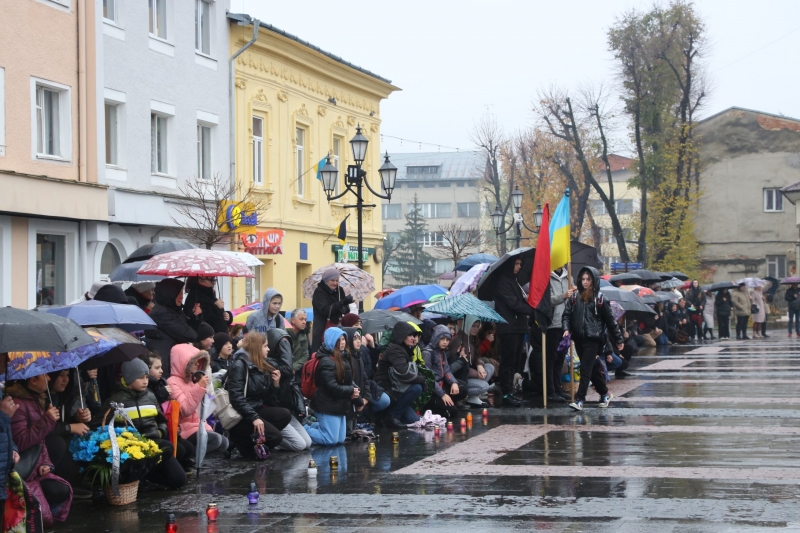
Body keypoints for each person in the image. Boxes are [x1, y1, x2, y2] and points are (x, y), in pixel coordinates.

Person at [94, 359, 187, 488]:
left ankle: (146, 474)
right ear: (128, 379)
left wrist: (160, 432)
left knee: (179, 480)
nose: (145, 381)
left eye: (146, 377)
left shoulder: (150, 396)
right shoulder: (115, 400)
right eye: (140, 378)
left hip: (153, 444)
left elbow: (162, 421)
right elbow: (98, 424)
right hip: (132, 449)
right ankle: (137, 477)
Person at [6, 375, 72, 527]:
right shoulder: (17, 404)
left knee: (63, 490)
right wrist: (47, 420)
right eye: (45, 376)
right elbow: (21, 442)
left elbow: (40, 443)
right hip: (22, 471)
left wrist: (46, 463)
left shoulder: (35, 400)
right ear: (33, 380)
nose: (49, 379)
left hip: (35, 469)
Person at [561, 266, 624, 412]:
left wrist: (618, 339)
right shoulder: (574, 298)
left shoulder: (601, 299)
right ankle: (605, 393)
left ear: (593, 281)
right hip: (579, 338)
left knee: (585, 368)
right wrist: (566, 328)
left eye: (588, 279)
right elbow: (567, 315)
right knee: (591, 368)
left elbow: (610, 321)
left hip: (593, 338)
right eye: (583, 279)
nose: (585, 282)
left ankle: (580, 398)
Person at [226, 333, 292, 458]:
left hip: (255, 409)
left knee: (284, 415)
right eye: (265, 346)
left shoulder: (261, 365)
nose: (268, 349)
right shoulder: (240, 365)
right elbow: (236, 397)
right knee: (275, 437)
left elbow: (268, 398)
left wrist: (275, 385)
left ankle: (254, 440)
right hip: (240, 415)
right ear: (257, 347)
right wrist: (254, 418)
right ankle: (243, 442)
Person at [168, 345, 229, 462]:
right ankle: (188, 458)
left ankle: (195, 458)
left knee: (224, 443)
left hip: (199, 425)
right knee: (216, 440)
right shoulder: (173, 382)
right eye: (194, 362)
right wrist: (198, 387)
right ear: (184, 363)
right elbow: (185, 410)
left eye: (199, 362)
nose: (197, 365)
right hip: (184, 429)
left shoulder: (193, 379)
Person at [306, 328, 358, 446]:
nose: (343, 342)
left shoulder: (342, 356)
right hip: (327, 405)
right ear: (331, 341)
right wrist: (351, 391)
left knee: (339, 439)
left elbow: (348, 381)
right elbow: (331, 386)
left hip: (338, 404)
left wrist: (356, 392)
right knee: (330, 440)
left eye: (343, 339)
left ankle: (316, 426)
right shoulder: (327, 361)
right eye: (338, 340)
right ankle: (303, 430)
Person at [493, 257, 533, 407]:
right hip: (508, 327)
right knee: (508, 361)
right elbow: (512, 303)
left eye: (520, 264)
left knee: (515, 361)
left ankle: (510, 392)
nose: (519, 266)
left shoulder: (514, 281)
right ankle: (506, 393)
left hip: (518, 326)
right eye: (517, 264)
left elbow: (519, 301)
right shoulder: (503, 281)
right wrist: (530, 309)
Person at [44, 370, 91, 493]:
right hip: (45, 447)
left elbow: (63, 421)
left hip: (62, 440)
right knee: (57, 443)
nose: (66, 380)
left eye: (68, 375)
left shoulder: (64, 396)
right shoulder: (41, 399)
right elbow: (43, 429)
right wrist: (70, 427)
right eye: (61, 375)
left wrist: (79, 418)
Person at [374, 321, 426, 427]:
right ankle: (392, 416)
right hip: (387, 387)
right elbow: (404, 373)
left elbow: (411, 371)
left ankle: (388, 415)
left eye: (414, 335)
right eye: (410, 335)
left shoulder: (405, 349)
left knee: (413, 420)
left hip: (397, 387)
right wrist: (422, 380)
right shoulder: (396, 349)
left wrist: (421, 377)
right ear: (402, 336)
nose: (413, 338)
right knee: (417, 388)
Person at [145, 278, 198, 377]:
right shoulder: (162, 313)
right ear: (168, 293)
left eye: (182, 293)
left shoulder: (172, 310)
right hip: (165, 363)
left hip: (169, 360)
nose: (181, 297)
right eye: (178, 293)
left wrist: (195, 316)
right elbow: (190, 334)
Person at [449, 316, 494, 409]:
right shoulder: (458, 341)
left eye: (478, 326)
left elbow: (476, 356)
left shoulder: (472, 339)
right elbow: (459, 366)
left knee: (489, 367)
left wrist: (479, 365)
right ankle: (464, 396)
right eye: (473, 326)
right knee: (484, 386)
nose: (476, 329)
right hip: (461, 377)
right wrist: (477, 374)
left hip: (470, 373)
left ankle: (474, 398)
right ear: (467, 325)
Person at [422, 325, 464, 419]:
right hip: (432, 390)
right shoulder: (427, 353)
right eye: (442, 339)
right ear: (437, 338)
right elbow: (428, 378)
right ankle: (432, 407)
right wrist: (442, 394)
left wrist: (453, 382)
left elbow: (446, 370)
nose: (445, 342)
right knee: (453, 412)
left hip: (441, 384)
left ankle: (447, 402)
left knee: (462, 387)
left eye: (447, 339)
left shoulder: (442, 351)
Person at [546, 267, 574, 401]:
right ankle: (550, 390)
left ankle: (558, 388)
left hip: (566, 324)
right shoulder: (547, 277)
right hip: (553, 323)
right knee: (551, 358)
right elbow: (547, 300)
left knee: (560, 358)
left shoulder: (569, 277)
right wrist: (563, 296)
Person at [311, 268, 353, 352]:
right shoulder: (319, 292)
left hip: (338, 326)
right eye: (332, 280)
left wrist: (345, 309)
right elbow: (325, 310)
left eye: (337, 280)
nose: (335, 283)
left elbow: (346, 307)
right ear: (326, 281)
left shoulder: (340, 290)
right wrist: (342, 303)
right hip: (322, 327)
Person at [286, 309, 311, 377]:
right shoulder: (283, 332)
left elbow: (305, 355)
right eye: (301, 319)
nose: (304, 322)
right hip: (282, 370)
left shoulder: (303, 334)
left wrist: (294, 367)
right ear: (293, 320)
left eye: (305, 320)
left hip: (296, 371)